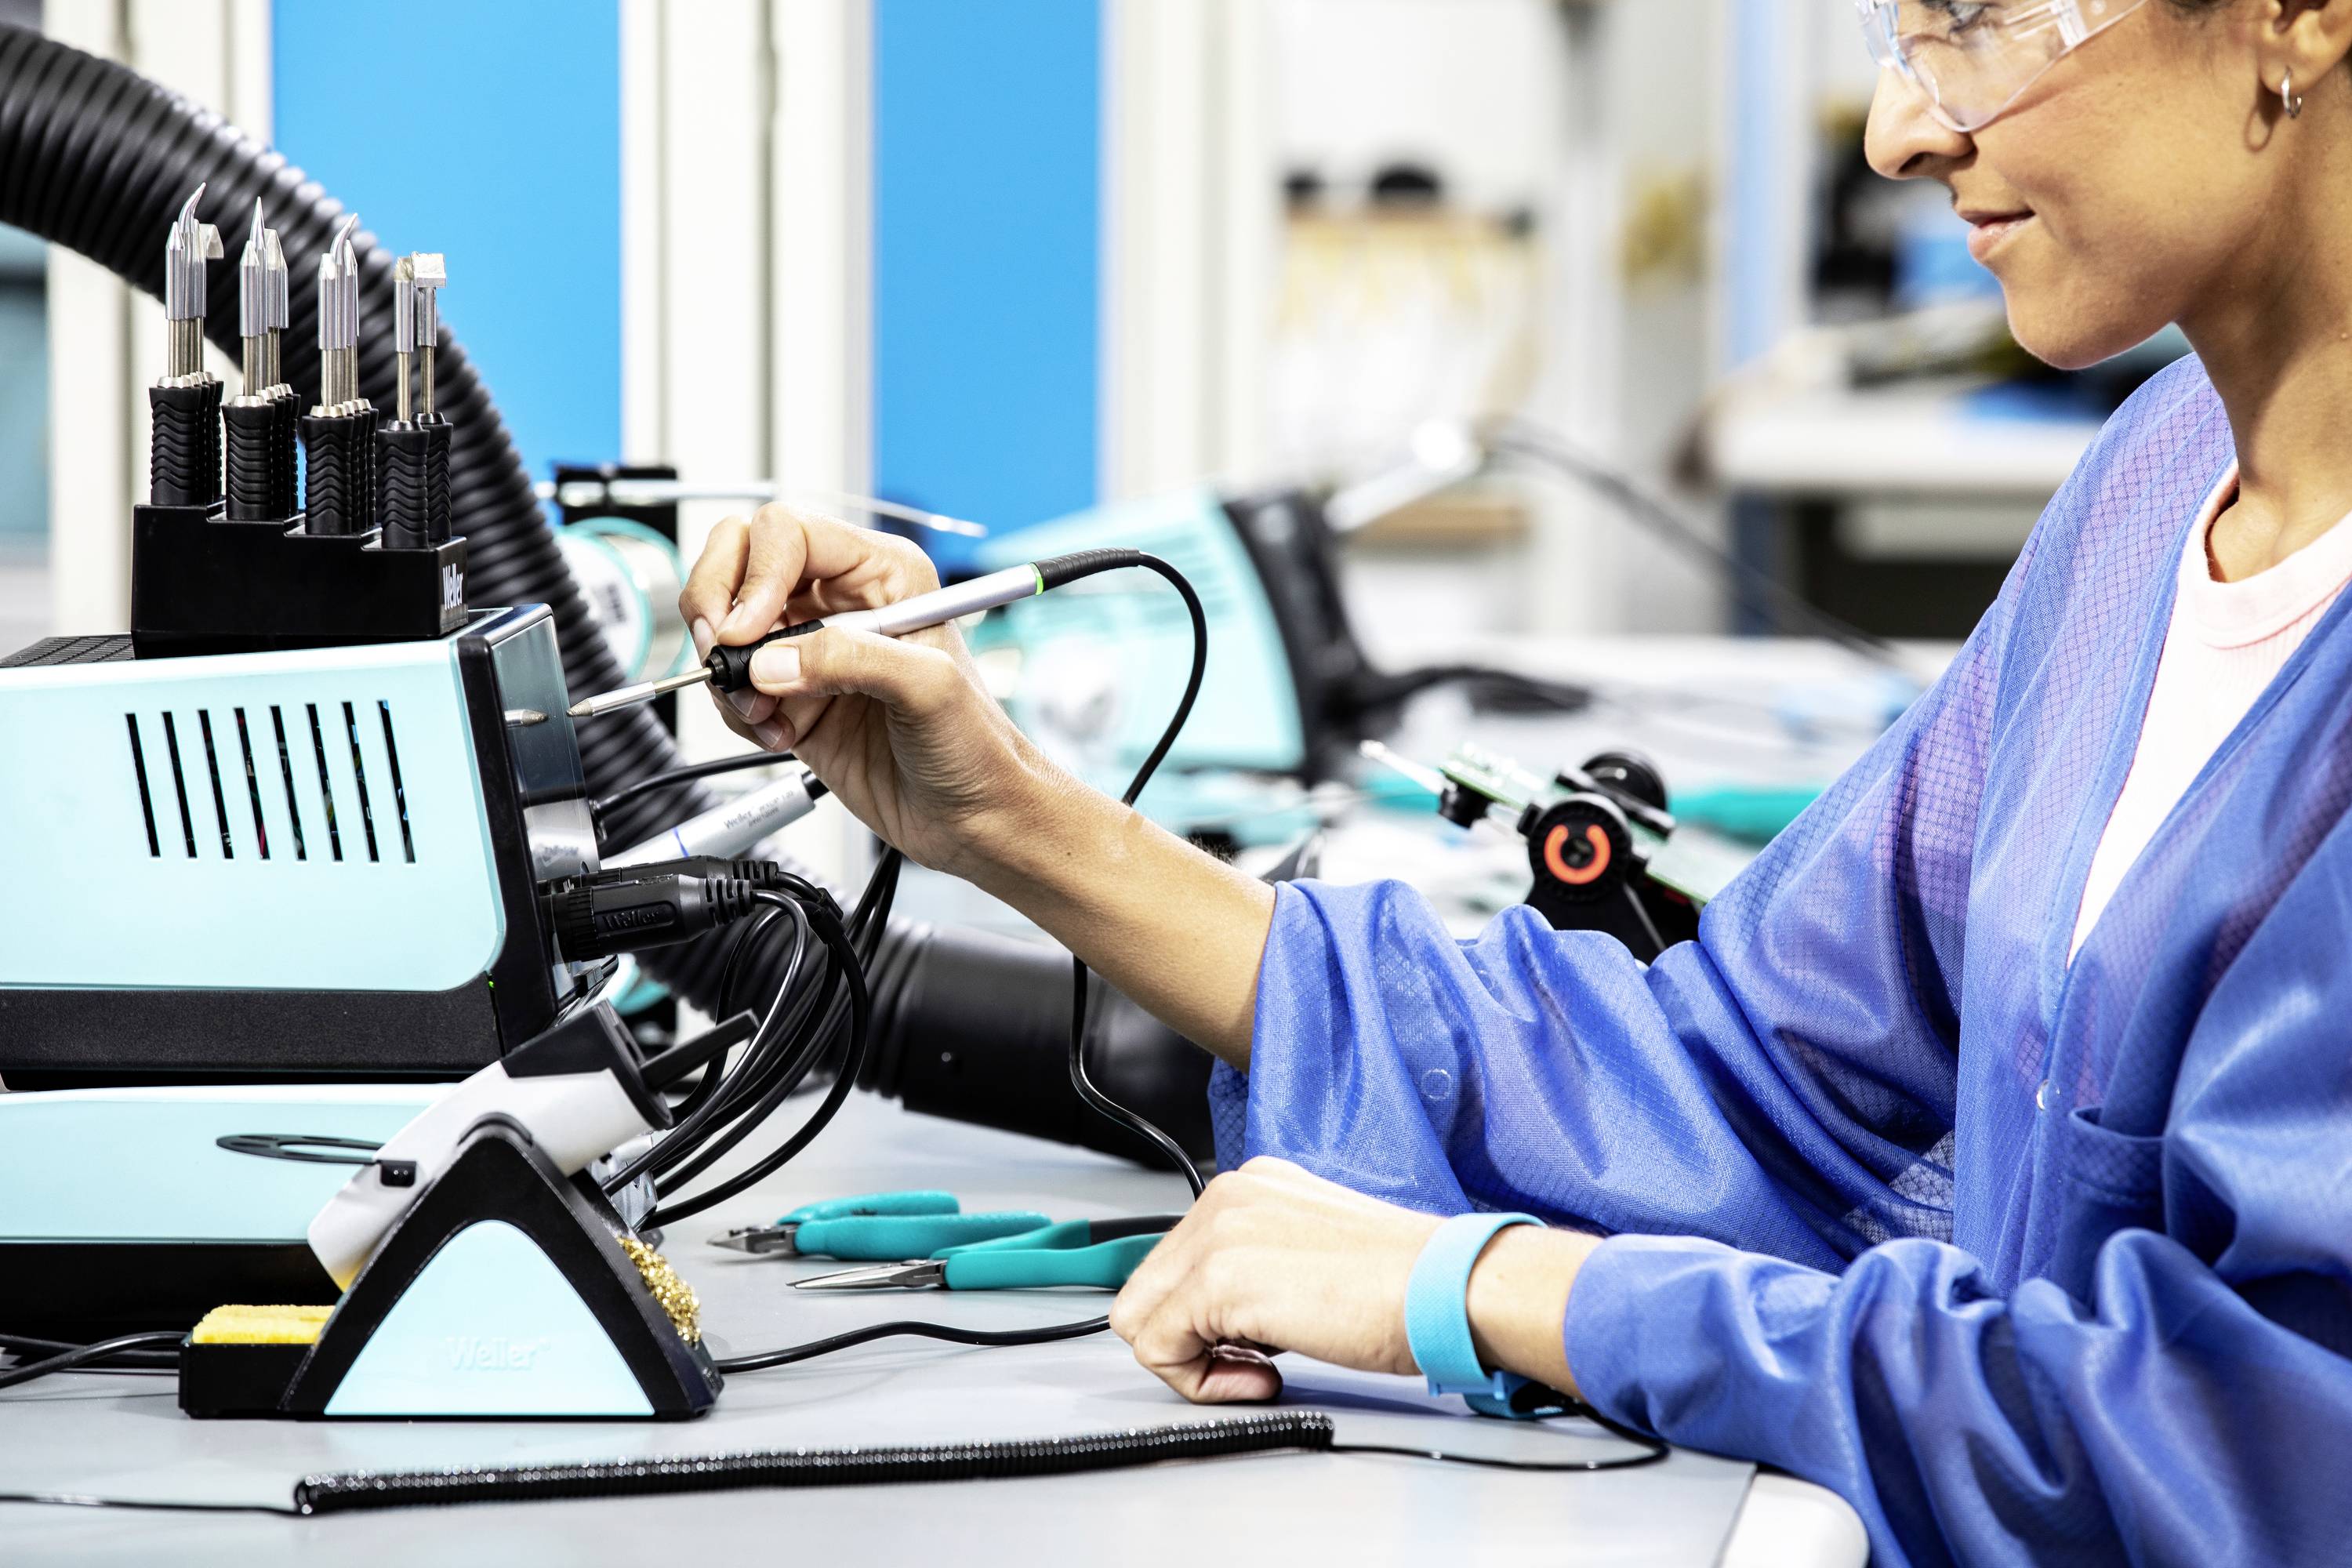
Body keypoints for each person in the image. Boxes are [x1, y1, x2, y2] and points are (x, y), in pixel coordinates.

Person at [677, 2, 2352, 1560]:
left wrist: (1499, 1288)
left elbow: (2256, 1441)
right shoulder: (2150, 495)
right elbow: (1732, 1081)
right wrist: (1009, 816)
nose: (1898, 131)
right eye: (1892, 31)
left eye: (1978, 16)